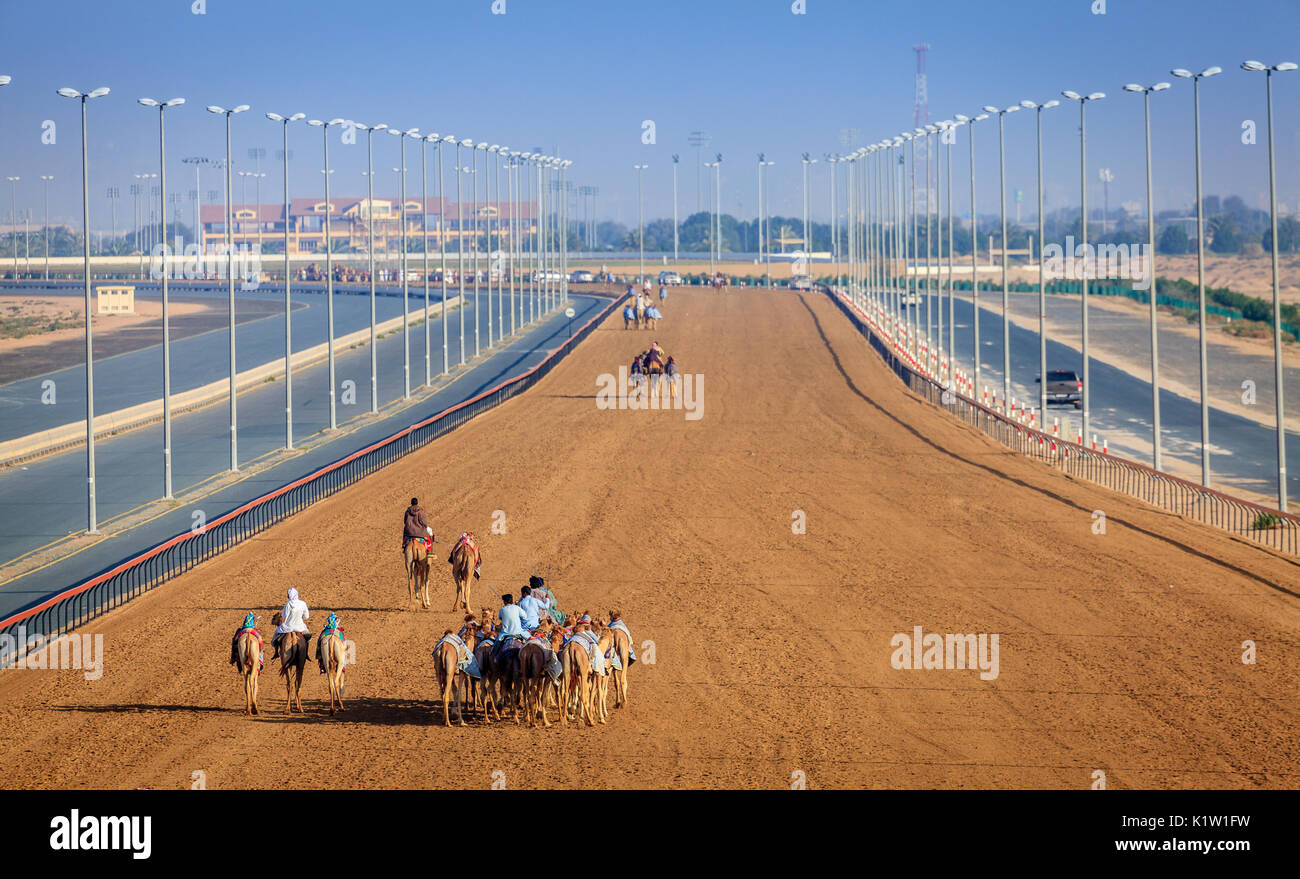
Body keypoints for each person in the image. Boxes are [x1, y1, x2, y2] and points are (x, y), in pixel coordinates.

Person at [271, 588, 310, 660]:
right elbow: (306, 616)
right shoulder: (303, 603)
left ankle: (276, 652)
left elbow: (284, 616)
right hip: (300, 626)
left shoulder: (288, 604)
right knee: (308, 637)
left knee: (275, 636)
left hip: (287, 627)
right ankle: (306, 653)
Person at [493, 593, 528, 661]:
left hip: (505, 634)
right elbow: (525, 617)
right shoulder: (517, 608)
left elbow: (500, 617)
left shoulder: (502, 610)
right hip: (518, 633)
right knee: (529, 641)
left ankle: (495, 658)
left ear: (504, 601)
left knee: (496, 645)